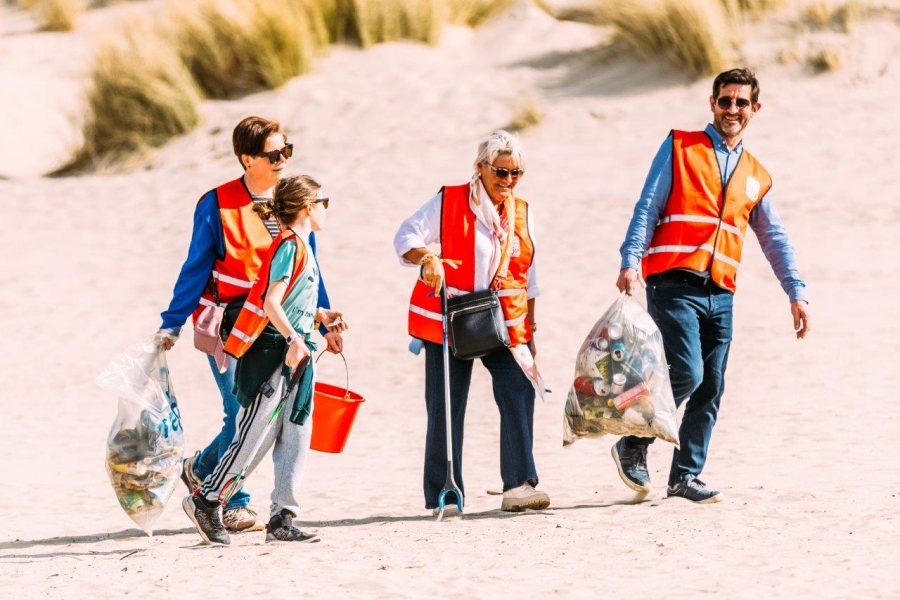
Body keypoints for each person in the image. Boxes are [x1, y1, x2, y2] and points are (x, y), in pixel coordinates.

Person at [613, 68, 811, 504]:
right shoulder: (680, 146)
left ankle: (685, 476)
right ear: (712, 103)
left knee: (712, 385)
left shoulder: (757, 174)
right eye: (725, 101)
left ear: (755, 109)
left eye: (742, 103)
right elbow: (648, 205)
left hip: (720, 292)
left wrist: (795, 291)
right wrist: (630, 259)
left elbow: (773, 236)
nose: (732, 110)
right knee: (687, 371)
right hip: (673, 281)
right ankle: (634, 442)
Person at [155, 116, 343, 533]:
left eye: (286, 151)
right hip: (234, 325)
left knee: (276, 418)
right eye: (273, 154)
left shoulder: (294, 203)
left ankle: (203, 471)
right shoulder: (216, 203)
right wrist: (172, 324)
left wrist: (324, 319)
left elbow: (309, 272)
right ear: (246, 158)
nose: (283, 161)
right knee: (243, 414)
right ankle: (230, 502)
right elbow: (195, 267)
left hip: (286, 327)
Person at [394, 130, 550, 514]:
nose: (508, 181)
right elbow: (405, 235)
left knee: (519, 389)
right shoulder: (448, 201)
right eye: (501, 172)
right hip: (453, 319)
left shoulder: (522, 211)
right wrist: (428, 258)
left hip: (502, 323)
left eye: (517, 174)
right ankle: (445, 493)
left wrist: (530, 332)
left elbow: (528, 276)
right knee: (446, 407)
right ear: (480, 168)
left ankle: (518, 485)